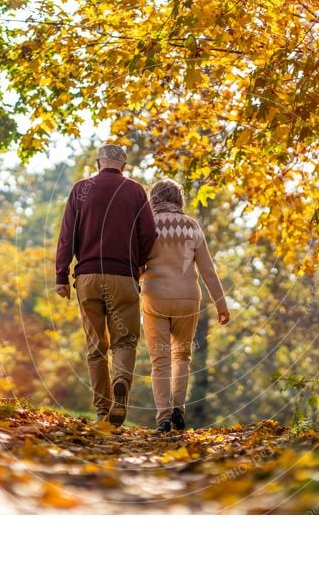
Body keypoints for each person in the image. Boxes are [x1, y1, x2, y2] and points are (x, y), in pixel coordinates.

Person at [55, 145, 157, 426]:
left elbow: (67, 236)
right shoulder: (135, 190)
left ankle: (102, 410)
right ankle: (120, 383)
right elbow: (149, 233)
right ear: (123, 165)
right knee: (124, 340)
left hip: (87, 277)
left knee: (95, 345)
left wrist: (61, 276)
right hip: (123, 276)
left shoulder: (80, 189)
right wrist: (138, 260)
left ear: (98, 162)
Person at [141, 179, 230, 432]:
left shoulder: (147, 225)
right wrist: (221, 305)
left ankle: (164, 418)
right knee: (182, 355)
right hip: (188, 298)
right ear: (179, 198)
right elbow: (208, 271)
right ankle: (179, 407)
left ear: (154, 198)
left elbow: (136, 265)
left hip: (154, 297)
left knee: (160, 361)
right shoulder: (192, 226)